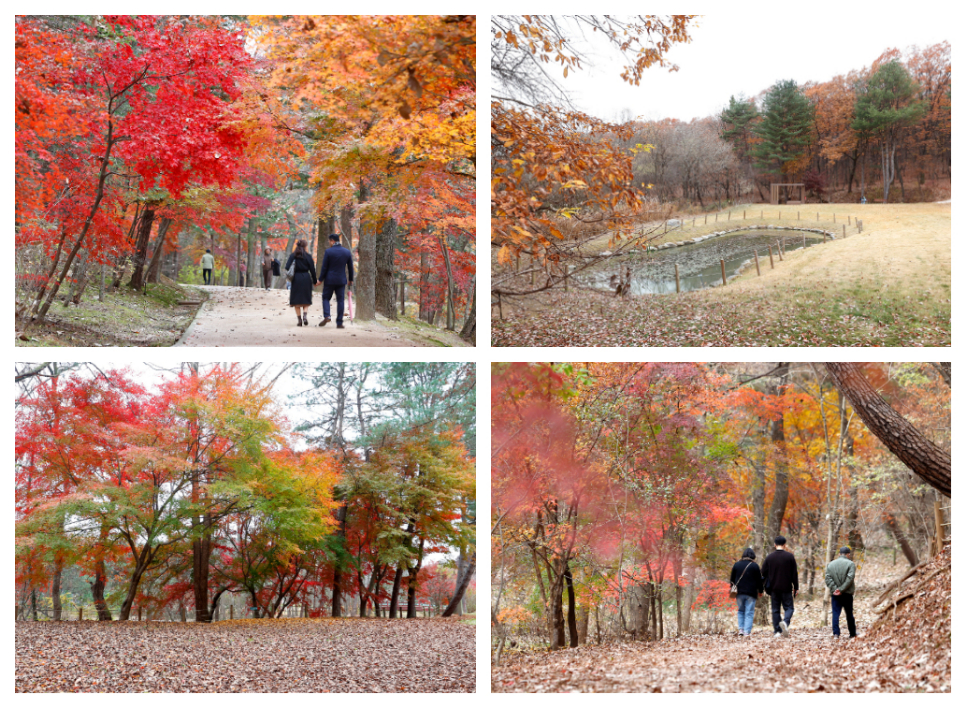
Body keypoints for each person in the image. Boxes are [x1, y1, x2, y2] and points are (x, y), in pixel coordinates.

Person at [761, 535, 799, 638]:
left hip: (774, 588)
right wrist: (796, 587)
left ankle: (777, 631)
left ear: (775, 544)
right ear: (785, 545)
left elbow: (763, 572)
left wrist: (764, 586)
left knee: (775, 610)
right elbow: (794, 573)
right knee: (789, 608)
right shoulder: (790, 556)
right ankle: (785, 622)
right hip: (786, 587)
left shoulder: (769, 557)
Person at [317, 233, 354, 329]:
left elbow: (324, 267)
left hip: (329, 279)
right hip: (341, 280)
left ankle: (327, 315)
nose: (329, 243)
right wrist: (350, 279)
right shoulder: (346, 252)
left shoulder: (328, 252)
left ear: (332, 241)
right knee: (340, 301)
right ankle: (339, 323)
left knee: (326, 298)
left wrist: (320, 279)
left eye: (329, 241)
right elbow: (350, 267)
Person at [825, 546, 858, 639]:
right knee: (849, 614)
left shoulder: (830, 564)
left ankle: (836, 634)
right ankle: (852, 633)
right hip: (847, 593)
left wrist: (835, 589)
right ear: (848, 554)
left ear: (839, 554)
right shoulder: (851, 564)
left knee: (835, 613)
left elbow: (827, 578)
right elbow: (850, 578)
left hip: (835, 594)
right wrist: (842, 589)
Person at [730, 548, 764, 637]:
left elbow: (732, 580)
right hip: (751, 593)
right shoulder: (755, 566)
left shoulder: (736, 565)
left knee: (741, 611)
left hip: (739, 592)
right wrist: (761, 591)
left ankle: (741, 629)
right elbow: (759, 581)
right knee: (749, 612)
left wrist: (732, 589)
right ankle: (746, 631)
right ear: (753, 556)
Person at [284, 239, 317, 326]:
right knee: (306, 299)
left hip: (296, 278)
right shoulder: (308, 256)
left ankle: (299, 320)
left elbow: (287, 267)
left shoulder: (293, 256)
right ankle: (305, 316)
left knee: (296, 300)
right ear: (305, 246)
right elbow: (312, 270)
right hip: (306, 278)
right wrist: (315, 281)